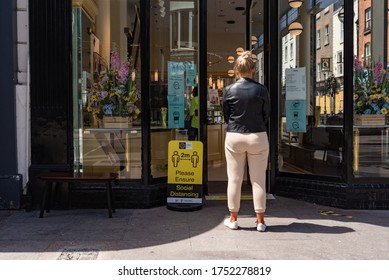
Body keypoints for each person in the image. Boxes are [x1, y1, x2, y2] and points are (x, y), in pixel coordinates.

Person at [222, 51, 270, 232]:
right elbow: (267, 114)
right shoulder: (261, 90)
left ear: (237, 70)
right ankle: (260, 222)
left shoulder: (229, 90)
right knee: (258, 180)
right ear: (254, 69)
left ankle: (233, 219)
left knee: (234, 179)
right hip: (257, 135)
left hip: (234, 135)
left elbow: (227, 115)